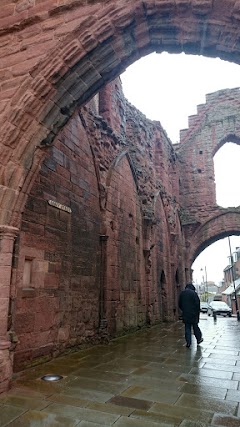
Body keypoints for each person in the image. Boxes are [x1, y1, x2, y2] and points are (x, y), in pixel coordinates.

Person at [178, 283, 203, 348]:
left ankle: (188, 342)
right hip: (194, 314)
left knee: (187, 328)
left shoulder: (182, 293)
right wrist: (197, 312)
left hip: (186, 314)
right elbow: (197, 304)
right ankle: (199, 339)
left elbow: (179, 304)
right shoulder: (194, 294)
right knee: (195, 327)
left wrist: (184, 310)